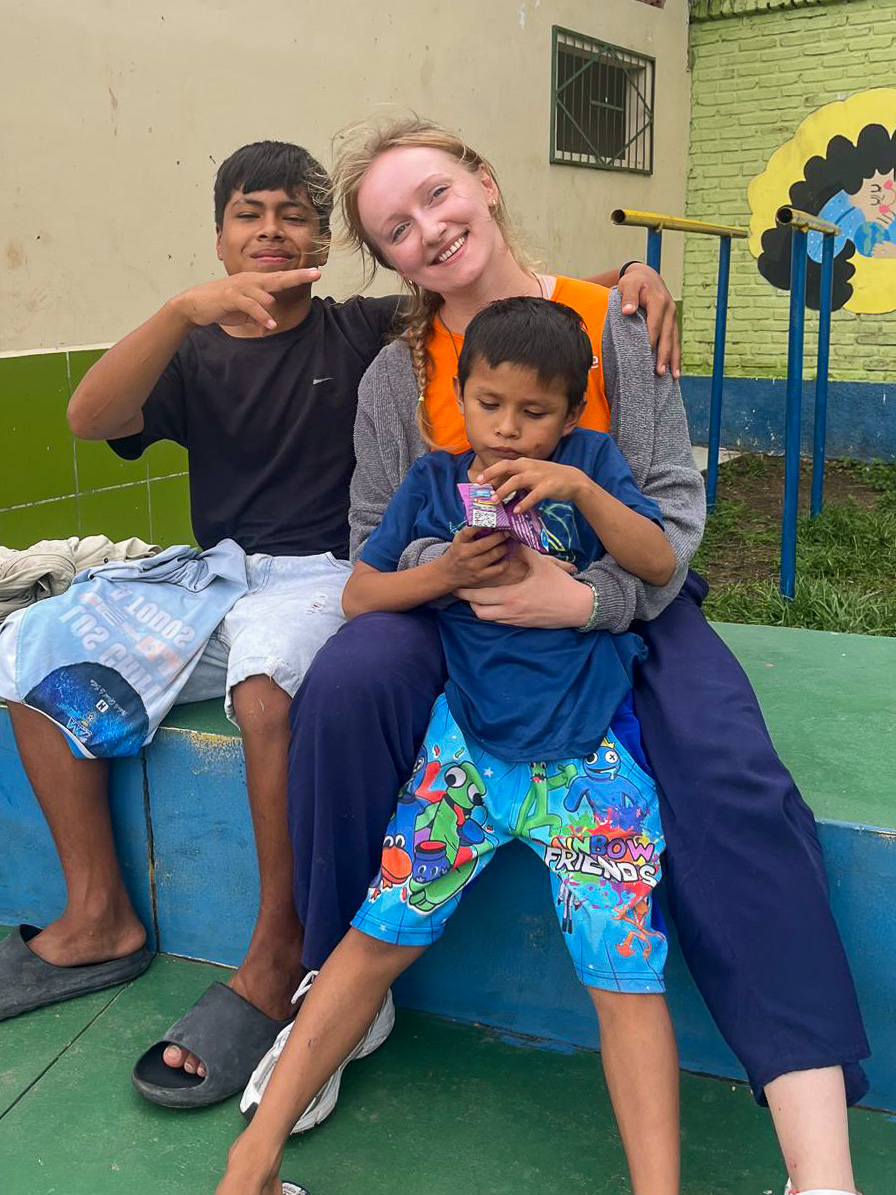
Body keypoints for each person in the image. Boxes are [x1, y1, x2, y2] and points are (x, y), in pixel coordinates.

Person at [0, 137, 680, 1109]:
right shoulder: (191, 348)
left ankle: (278, 952)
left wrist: (626, 280)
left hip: (321, 574)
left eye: (295, 213)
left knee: (266, 687)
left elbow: (499, 295)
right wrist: (183, 309)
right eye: (248, 213)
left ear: (324, 239)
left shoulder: (362, 328)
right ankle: (98, 913)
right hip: (214, 572)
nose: (271, 230)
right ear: (219, 235)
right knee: (33, 645)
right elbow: (87, 417)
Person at [278, 118, 867, 1195]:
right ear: (390, 260)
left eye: (438, 194)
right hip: (457, 608)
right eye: (396, 228)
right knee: (346, 681)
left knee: (727, 772)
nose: (428, 230)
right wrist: (458, 571)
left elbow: (673, 515)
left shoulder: (617, 322)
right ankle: (337, 991)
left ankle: (815, 1155)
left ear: (485, 181)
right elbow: (373, 537)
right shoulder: (395, 379)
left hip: (627, 602)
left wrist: (587, 600)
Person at [218, 297, 681, 1195]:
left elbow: (659, 562)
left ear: (572, 413)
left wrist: (583, 491)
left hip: (588, 767)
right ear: (461, 393)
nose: (508, 428)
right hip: (463, 759)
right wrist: (444, 572)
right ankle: (252, 1165)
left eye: (535, 412)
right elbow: (359, 595)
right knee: (373, 937)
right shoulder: (434, 482)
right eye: (489, 403)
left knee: (626, 980)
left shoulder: (590, 463)